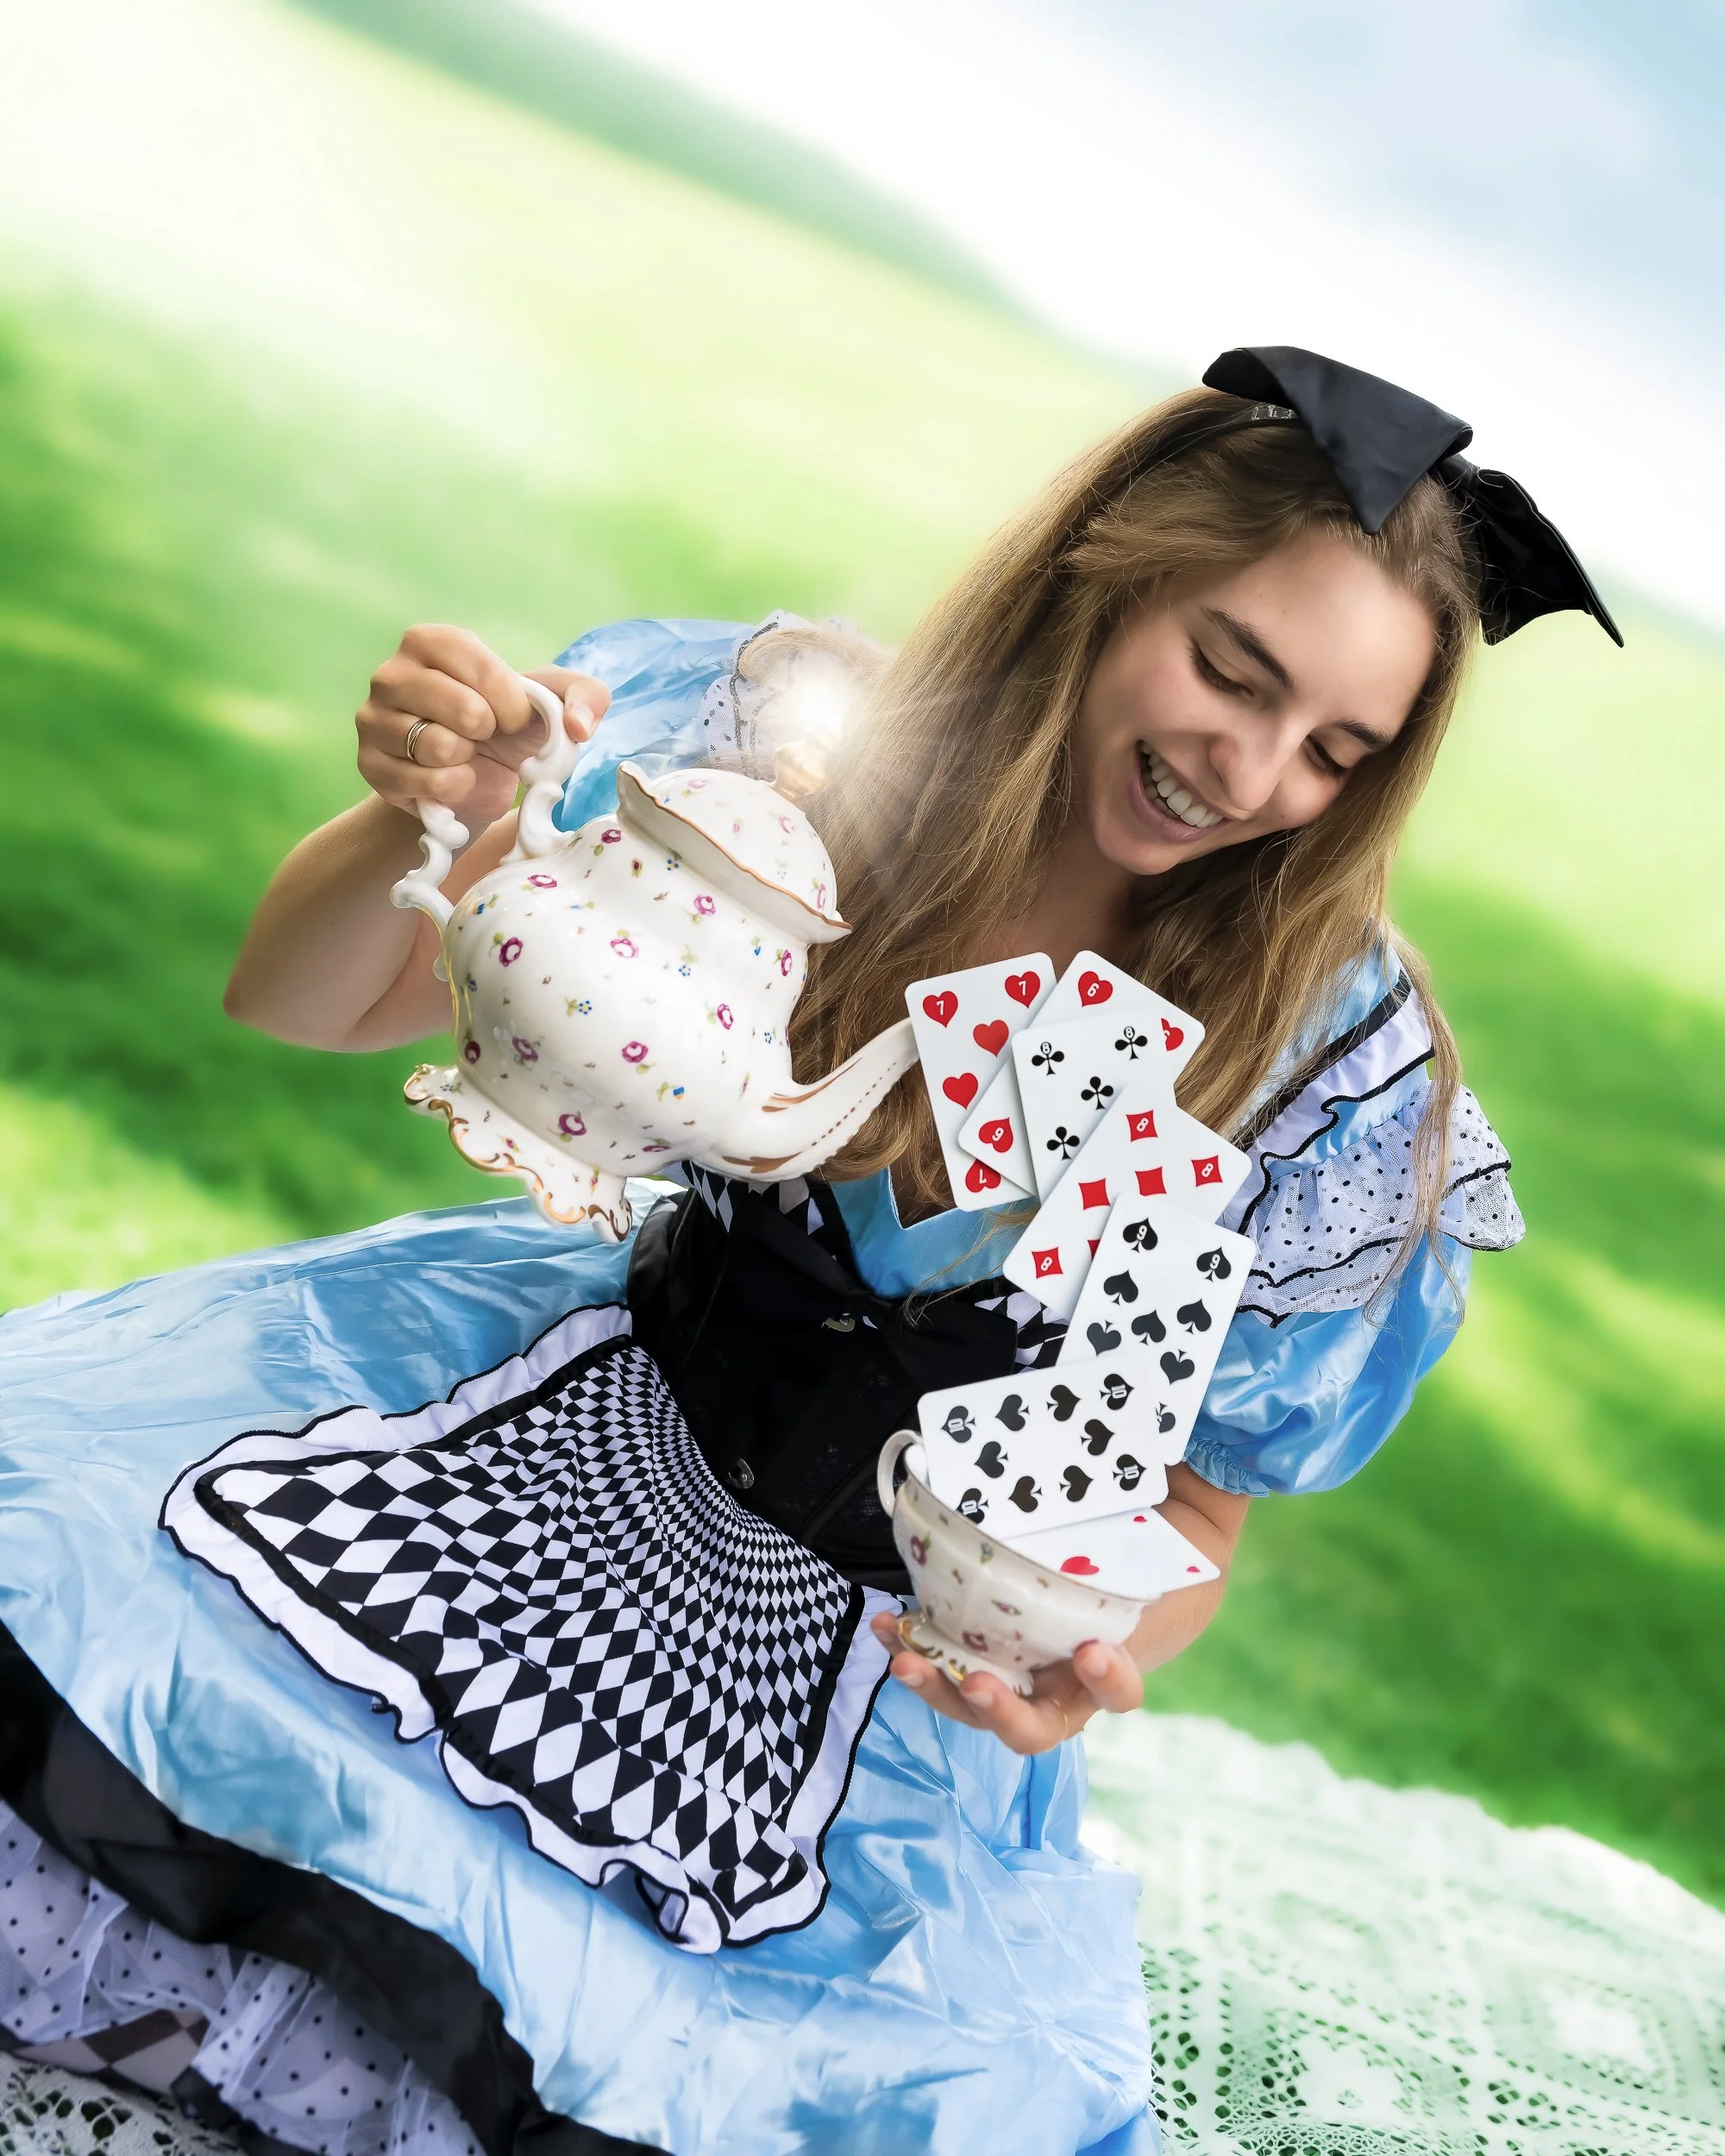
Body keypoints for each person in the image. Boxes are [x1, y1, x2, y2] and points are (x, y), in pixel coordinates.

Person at [0, 352, 1614, 2156]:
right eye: (1229, 668)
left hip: (872, 1671)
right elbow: (293, 996)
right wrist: (426, 809)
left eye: (1337, 747)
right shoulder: (797, 738)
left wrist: (1059, 1648)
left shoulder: (1333, 1072)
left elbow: (1191, 1509)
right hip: (542, 1426)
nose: (1249, 772)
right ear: (1104, 568)